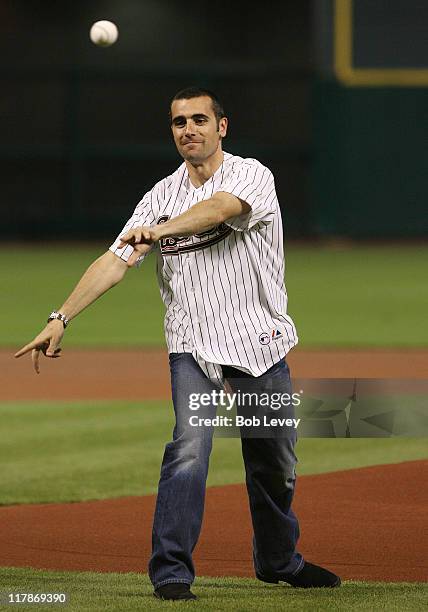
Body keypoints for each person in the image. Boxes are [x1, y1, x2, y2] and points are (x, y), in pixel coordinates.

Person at [15, 87, 340, 600]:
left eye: (199, 120)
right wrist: (61, 316)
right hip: (192, 345)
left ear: (221, 127)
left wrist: (159, 232)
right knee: (189, 450)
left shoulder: (252, 174)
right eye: (178, 122)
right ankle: (171, 571)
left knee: (275, 460)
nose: (188, 129)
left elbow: (217, 210)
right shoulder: (159, 196)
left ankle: (280, 561)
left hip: (260, 341)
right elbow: (114, 261)